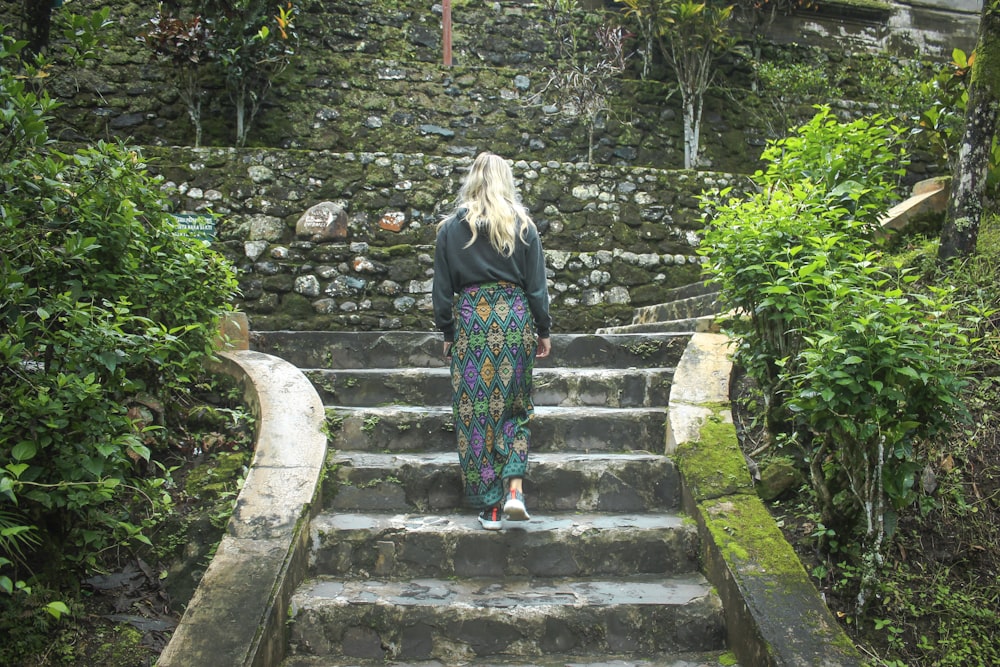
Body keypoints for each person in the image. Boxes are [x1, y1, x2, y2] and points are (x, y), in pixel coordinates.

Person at [432, 151, 552, 531]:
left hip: (472, 322)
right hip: (514, 320)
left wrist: (448, 332)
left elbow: (441, 292)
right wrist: (543, 329)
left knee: (476, 415)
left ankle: (492, 507)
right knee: (515, 408)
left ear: (472, 180)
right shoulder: (523, 227)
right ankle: (514, 490)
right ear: (506, 181)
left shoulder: (451, 229)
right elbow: (536, 288)